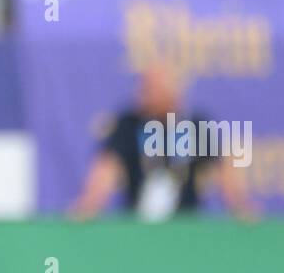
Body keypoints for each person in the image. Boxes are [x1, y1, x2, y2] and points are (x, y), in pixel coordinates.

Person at [68, 63, 257, 222]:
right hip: (137, 226)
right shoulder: (128, 125)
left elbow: (225, 172)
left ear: (173, 92)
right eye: (143, 87)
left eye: (150, 88)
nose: (142, 94)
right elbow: (106, 170)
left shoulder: (196, 125)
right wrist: (88, 206)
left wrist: (241, 208)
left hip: (186, 227)